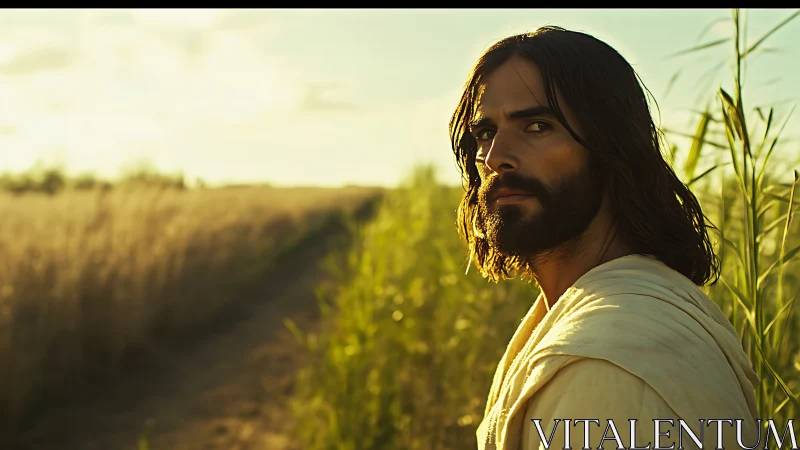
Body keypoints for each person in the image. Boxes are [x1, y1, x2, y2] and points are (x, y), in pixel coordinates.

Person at [448, 26, 760, 450]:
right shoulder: (595, 317)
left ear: (609, 147)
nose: (497, 155)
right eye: (486, 133)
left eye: (538, 126)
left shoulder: (609, 369)